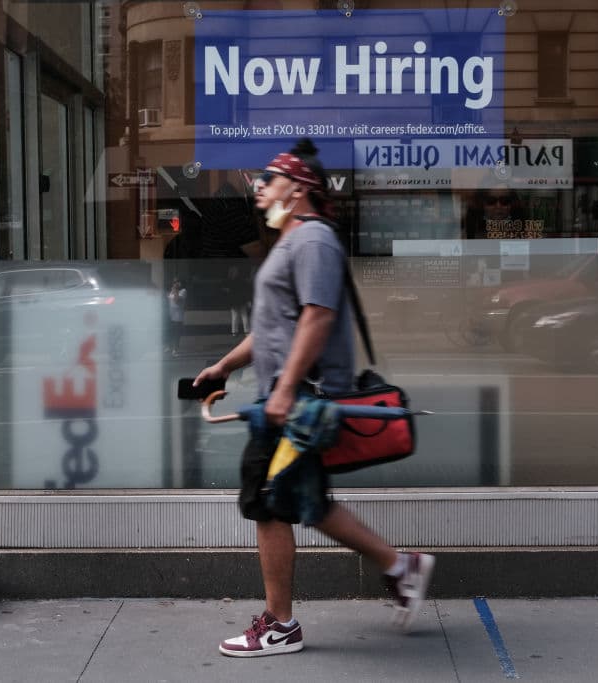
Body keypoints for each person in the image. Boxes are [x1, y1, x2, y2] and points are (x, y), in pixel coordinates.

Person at [193, 139, 435, 658]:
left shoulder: (314, 241)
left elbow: (317, 316)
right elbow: (275, 326)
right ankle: (401, 566)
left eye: (270, 180)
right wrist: (225, 365)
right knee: (305, 502)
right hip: (288, 397)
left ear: (299, 189)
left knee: (267, 504)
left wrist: (282, 389)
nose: (259, 189)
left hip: (296, 403)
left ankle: (280, 625)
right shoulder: (292, 241)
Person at [166, 279, 185, 355]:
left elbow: (176, 300)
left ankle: (175, 349)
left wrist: (175, 290)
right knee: (170, 332)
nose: (175, 284)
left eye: (177, 282)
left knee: (177, 334)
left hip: (178, 316)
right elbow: (169, 299)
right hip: (171, 315)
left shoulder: (183, 291)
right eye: (174, 282)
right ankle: (169, 347)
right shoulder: (172, 291)